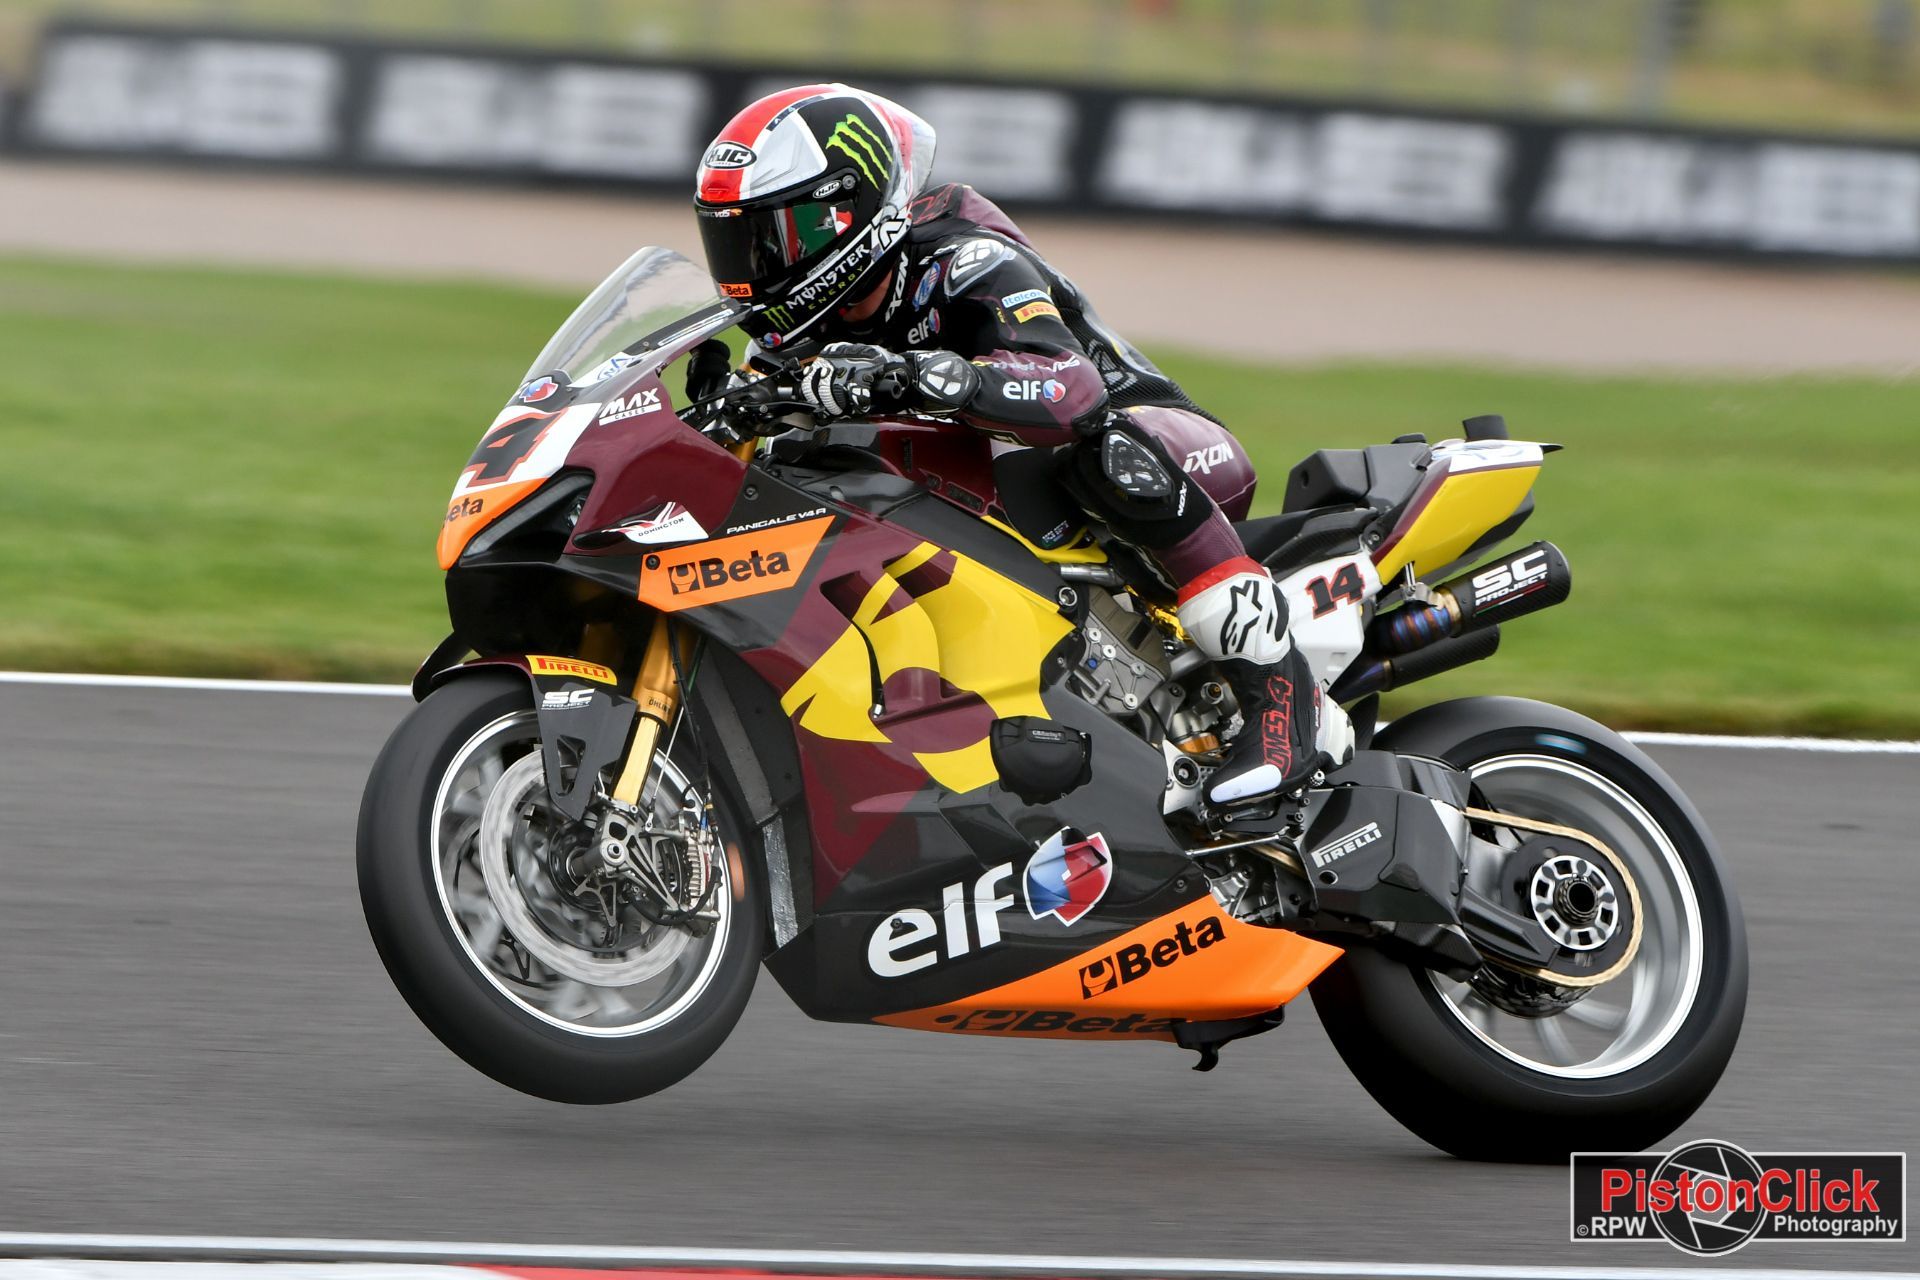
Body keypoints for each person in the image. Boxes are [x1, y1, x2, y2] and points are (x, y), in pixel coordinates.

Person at [692, 84, 1351, 805]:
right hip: (1004, 489)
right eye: (733, 242)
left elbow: (1069, 389)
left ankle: (1286, 700)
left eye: (766, 240)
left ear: (842, 216)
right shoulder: (805, 333)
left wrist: (921, 374)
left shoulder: (962, 258)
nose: (749, 269)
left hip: (1159, 443)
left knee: (1095, 447)